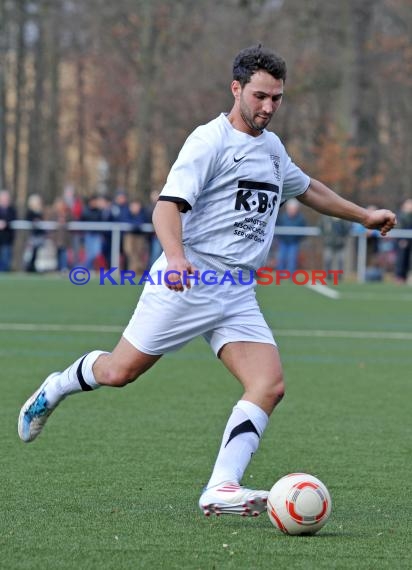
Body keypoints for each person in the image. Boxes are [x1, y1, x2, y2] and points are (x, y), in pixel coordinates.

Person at [18, 45, 397, 517]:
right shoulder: (208, 141)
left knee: (269, 384)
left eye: (277, 98)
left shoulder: (273, 149)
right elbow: (166, 206)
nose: (268, 107)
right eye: (260, 96)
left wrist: (364, 215)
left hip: (237, 291)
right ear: (236, 89)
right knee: (119, 373)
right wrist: (175, 258)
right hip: (189, 279)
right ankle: (55, 387)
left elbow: (309, 188)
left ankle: (221, 486)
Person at [276, 198, 307, 273]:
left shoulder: (300, 219)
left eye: (294, 209)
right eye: (291, 208)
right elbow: (278, 229)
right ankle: (280, 276)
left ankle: (290, 276)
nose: (292, 210)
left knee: (292, 260)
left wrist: (297, 239)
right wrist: (280, 239)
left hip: (294, 242)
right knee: (281, 258)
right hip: (283, 242)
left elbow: (303, 232)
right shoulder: (282, 217)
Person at [394, 198, 412, 283]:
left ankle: (406, 277)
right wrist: (402, 239)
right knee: (401, 259)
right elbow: (399, 227)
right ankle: (399, 277)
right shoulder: (401, 215)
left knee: (408, 260)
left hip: (410, 241)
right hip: (402, 241)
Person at [0, 189, 17, 272]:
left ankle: (4, 271)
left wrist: (5, 223)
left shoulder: (12, 210)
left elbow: (13, 219)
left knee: (6, 256)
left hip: (7, 237)